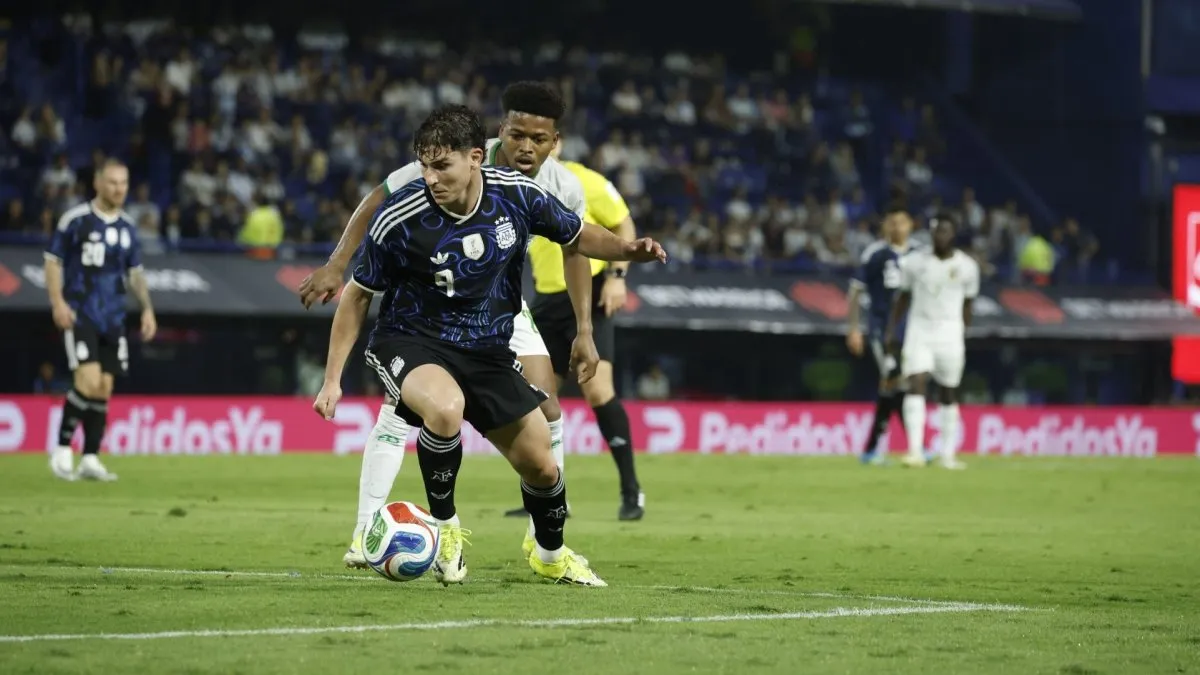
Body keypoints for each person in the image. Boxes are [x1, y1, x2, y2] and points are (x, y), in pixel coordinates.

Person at [312, 105, 666, 587]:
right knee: (445, 408)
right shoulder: (400, 216)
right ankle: (446, 528)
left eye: (443, 166)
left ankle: (550, 554)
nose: (431, 177)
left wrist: (627, 251)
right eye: (425, 165)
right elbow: (357, 297)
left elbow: (579, 236)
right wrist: (332, 379)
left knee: (542, 463)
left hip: (487, 347)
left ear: (476, 157)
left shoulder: (518, 195)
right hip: (412, 339)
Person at [504, 138, 646, 521]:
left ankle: (632, 492)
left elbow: (623, 223)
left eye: (541, 136)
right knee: (538, 397)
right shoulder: (516, 183)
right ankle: (549, 494)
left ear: (557, 142)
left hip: (589, 295)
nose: (532, 145)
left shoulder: (584, 180)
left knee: (598, 391)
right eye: (522, 135)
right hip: (548, 302)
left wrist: (618, 277)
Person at [44, 159, 157, 481]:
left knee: (104, 388)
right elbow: (53, 262)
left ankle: (91, 458)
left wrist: (147, 308)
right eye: (112, 182)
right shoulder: (76, 220)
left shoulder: (127, 228)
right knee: (88, 380)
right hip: (82, 312)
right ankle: (62, 449)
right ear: (97, 183)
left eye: (123, 183)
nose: (118, 188)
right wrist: (57, 303)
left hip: (114, 318)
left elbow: (135, 273)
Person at [884, 213, 977, 470]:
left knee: (948, 392)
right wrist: (892, 331)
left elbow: (969, 304)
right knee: (916, 383)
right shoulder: (913, 263)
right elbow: (902, 298)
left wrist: (962, 333)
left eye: (945, 231)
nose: (940, 236)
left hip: (950, 334)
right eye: (936, 231)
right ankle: (915, 451)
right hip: (920, 331)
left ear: (954, 234)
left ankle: (948, 455)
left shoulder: (968, 267)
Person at [846, 202, 919, 464]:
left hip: (912, 332)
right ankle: (914, 444)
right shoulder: (875, 254)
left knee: (894, 387)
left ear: (911, 224)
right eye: (891, 221)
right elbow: (855, 291)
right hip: (881, 331)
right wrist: (854, 328)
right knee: (894, 380)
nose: (896, 227)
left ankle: (871, 449)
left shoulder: (920, 253)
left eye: (901, 221)